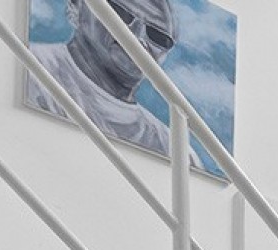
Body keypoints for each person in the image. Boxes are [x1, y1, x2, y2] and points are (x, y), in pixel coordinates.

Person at [24, 0, 180, 157]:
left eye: (158, 36)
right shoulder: (27, 68)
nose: (137, 37)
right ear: (76, 5)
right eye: (120, 13)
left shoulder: (170, 147)